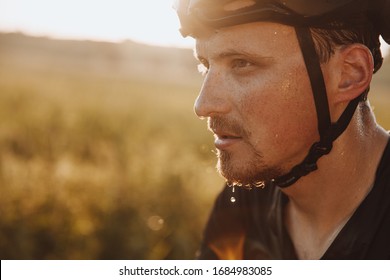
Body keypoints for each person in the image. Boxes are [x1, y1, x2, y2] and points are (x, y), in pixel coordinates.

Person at [174, 0, 390, 259]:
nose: (203, 105)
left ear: (349, 74)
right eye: (206, 65)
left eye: (242, 63)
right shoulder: (242, 209)